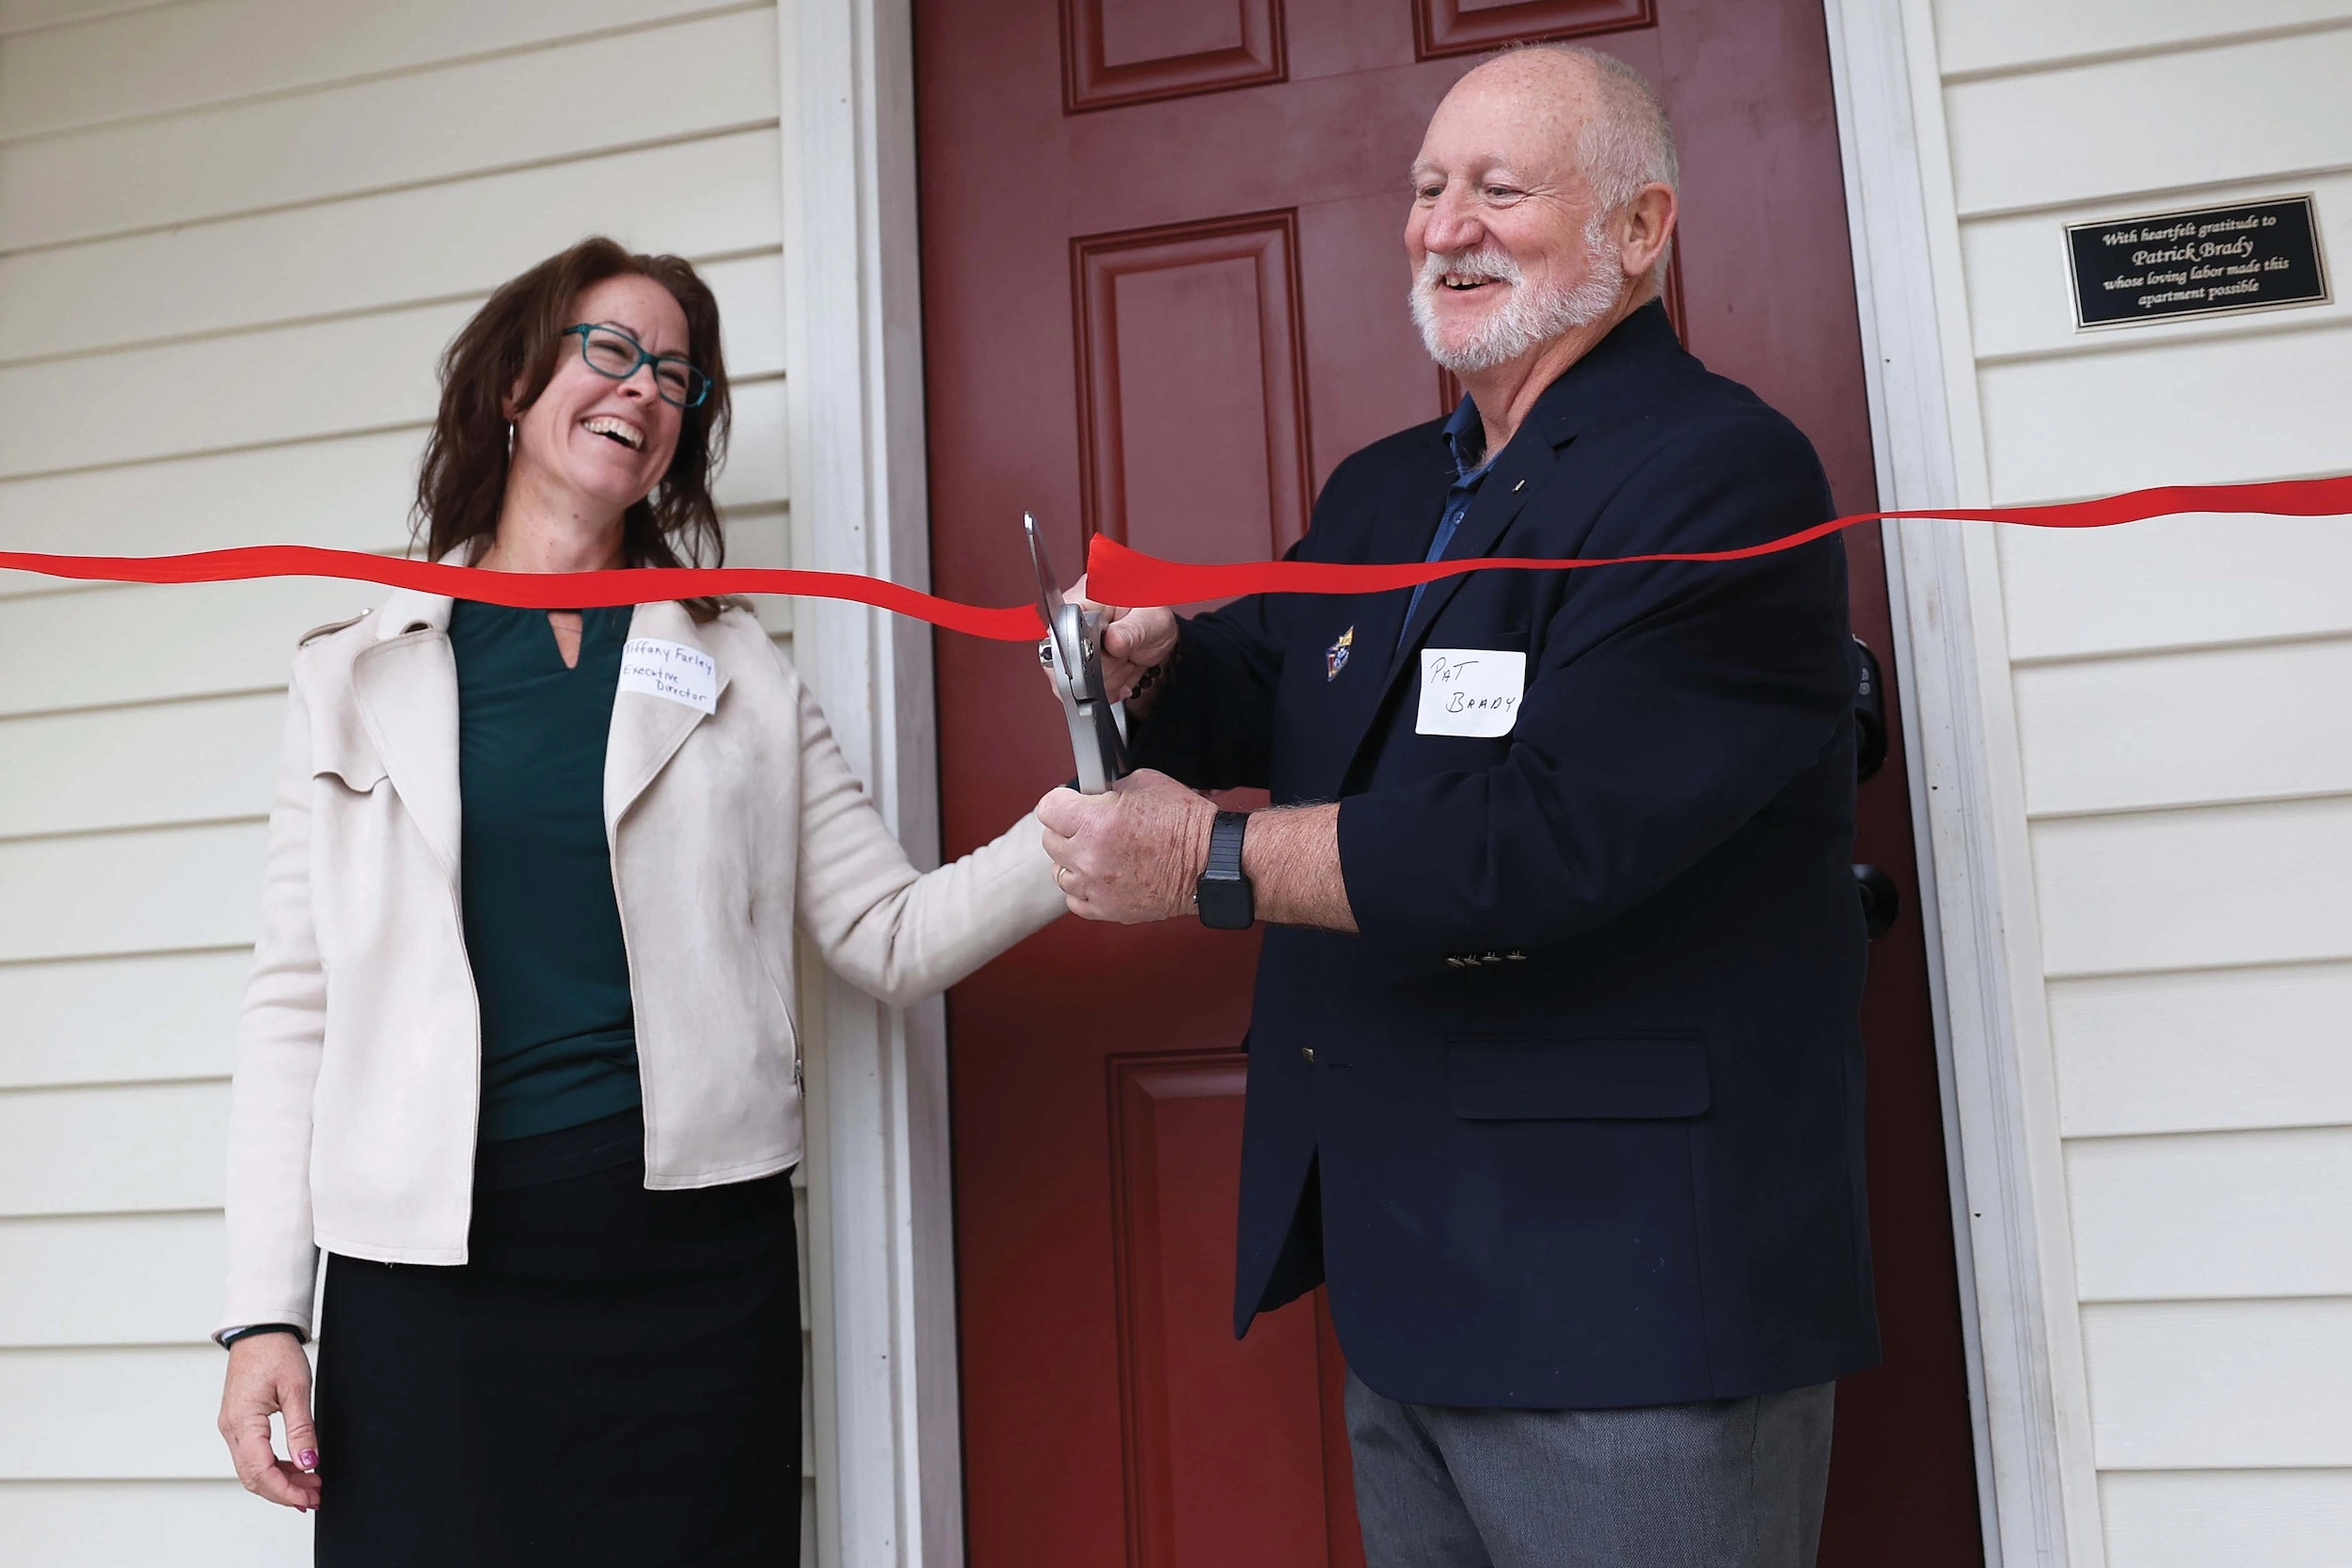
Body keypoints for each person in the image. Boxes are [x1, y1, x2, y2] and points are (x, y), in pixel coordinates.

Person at [1037, 45, 1875, 1568]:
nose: (1443, 225)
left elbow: (1542, 837)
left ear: (1640, 230)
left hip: (1635, 1303)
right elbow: (1292, 684)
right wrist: (1156, 670)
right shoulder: (1387, 489)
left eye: (1500, 188)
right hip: (1411, 1271)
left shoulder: (1723, 474)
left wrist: (1203, 860)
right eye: (1427, 189)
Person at [213, 237, 1065, 1564]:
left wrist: (1080, 837)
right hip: (423, 1275)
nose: (646, 386)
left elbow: (887, 935)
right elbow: (291, 1001)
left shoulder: (739, 671)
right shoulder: (355, 669)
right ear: (514, 383)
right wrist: (263, 1315)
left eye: (679, 374)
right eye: (609, 347)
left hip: (687, 1266)